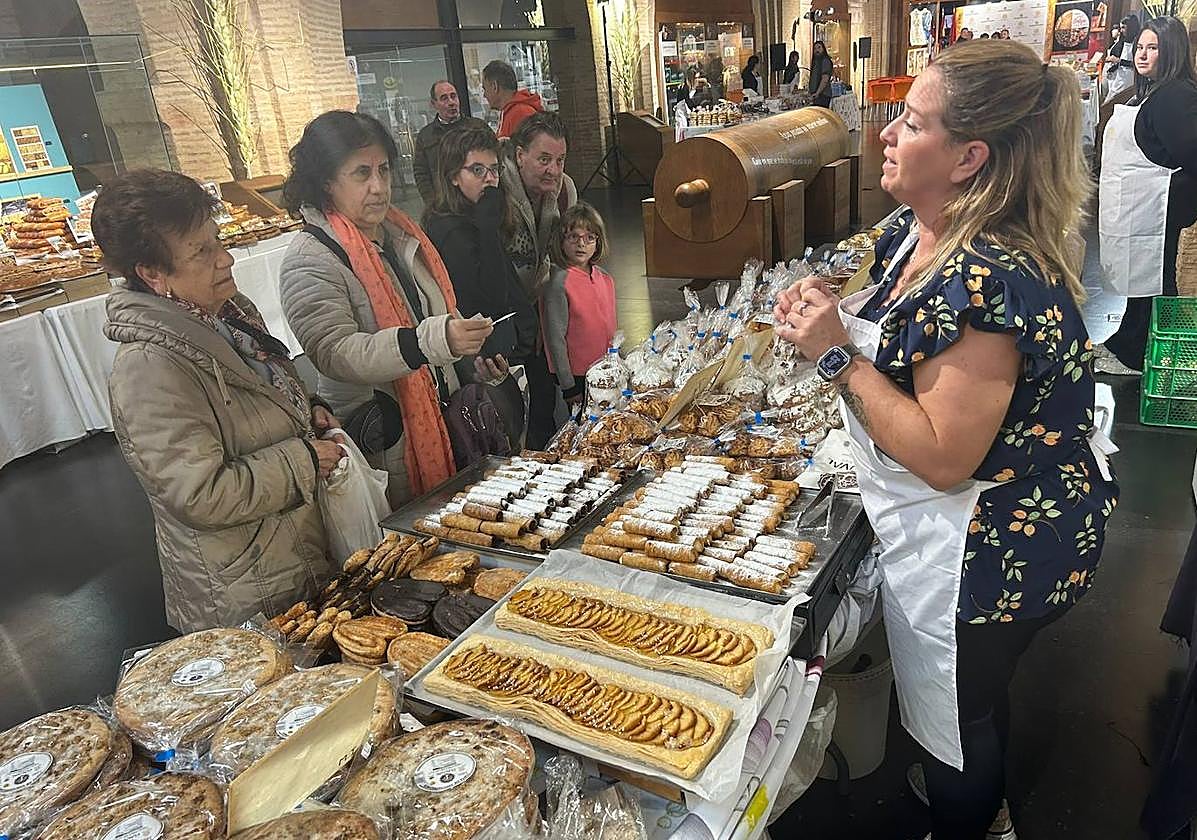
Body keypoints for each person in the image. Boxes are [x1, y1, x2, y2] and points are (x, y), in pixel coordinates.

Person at [775, 41, 1118, 840]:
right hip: (970, 529)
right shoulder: (920, 228)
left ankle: (973, 820)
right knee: (961, 702)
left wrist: (833, 354)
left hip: (994, 548)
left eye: (911, 121)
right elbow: (894, 303)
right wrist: (837, 297)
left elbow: (939, 456)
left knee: (959, 724)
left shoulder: (987, 278)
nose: (886, 134)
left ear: (967, 157)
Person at [94, 169, 339, 632]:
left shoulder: (229, 312)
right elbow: (200, 494)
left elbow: (262, 389)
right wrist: (303, 461)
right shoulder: (149, 368)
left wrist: (305, 409)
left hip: (293, 552)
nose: (225, 259)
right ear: (151, 273)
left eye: (218, 240)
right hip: (245, 587)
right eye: (202, 252)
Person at [278, 111, 495, 504]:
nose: (379, 187)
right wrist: (428, 342)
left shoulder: (399, 233)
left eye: (384, 170)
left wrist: (464, 353)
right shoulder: (310, 258)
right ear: (326, 181)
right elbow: (335, 352)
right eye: (361, 173)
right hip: (386, 435)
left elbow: (432, 312)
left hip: (440, 413)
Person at [1097, 16, 1197, 375]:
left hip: (1159, 210)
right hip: (1140, 207)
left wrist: (1174, 200)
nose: (1142, 55)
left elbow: (1191, 155)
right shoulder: (1151, 91)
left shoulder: (1176, 96)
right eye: (1140, 47)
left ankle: (1142, 353)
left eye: (1153, 48)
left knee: (1153, 282)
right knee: (1138, 283)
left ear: (1171, 52)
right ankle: (1131, 342)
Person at [500, 111, 579, 448]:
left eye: (559, 160)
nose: (554, 170)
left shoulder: (564, 192)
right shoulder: (496, 194)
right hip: (500, 313)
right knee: (511, 407)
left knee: (545, 396)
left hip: (539, 302)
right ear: (520, 155)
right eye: (544, 159)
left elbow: (565, 252)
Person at [423, 125, 531, 368]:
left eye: (494, 169)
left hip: (510, 345)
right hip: (488, 358)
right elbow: (492, 300)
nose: (490, 179)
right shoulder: (451, 230)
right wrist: (488, 229)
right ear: (453, 176)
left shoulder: (478, 213)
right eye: (477, 170)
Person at [542, 202, 617, 406]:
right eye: (573, 237)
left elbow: (610, 328)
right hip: (578, 376)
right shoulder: (559, 284)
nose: (581, 244)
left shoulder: (605, 278)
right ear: (562, 241)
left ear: (598, 242)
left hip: (606, 371)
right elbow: (555, 339)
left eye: (589, 238)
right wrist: (568, 386)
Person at [412, 80, 488, 206]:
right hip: (445, 206)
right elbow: (421, 173)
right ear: (433, 104)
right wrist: (433, 203)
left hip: (479, 201)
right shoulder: (426, 136)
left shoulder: (478, 128)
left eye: (453, 96)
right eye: (444, 98)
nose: (451, 102)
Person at [482, 59, 543, 139]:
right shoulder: (511, 111)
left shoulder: (521, 113)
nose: (484, 95)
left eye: (485, 89)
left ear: (495, 86)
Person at [1103, 14, 1140, 103]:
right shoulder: (1124, 41)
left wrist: (1119, 61)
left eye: (1123, 27)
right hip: (1120, 77)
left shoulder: (1137, 43)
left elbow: (1136, 64)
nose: (1121, 31)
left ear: (1131, 28)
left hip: (1128, 80)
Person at [809, 41, 835, 107]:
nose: (817, 50)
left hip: (823, 95)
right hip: (816, 96)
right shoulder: (816, 61)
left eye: (819, 48)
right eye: (815, 48)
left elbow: (825, 79)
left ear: (823, 49)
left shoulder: (825, 61)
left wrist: (817, 93)